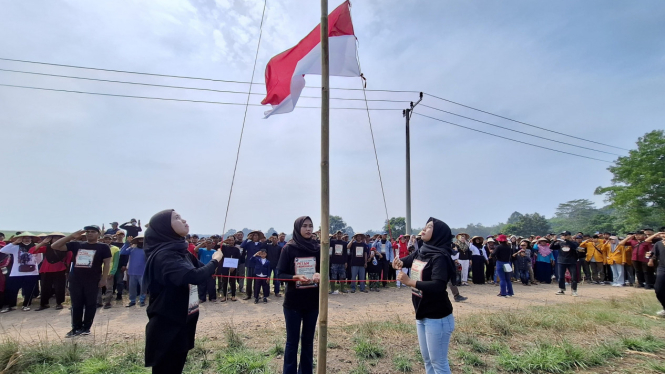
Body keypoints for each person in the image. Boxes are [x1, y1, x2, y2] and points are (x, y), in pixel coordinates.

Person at [143, 209, 223, 374]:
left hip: (181, 320)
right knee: (167, 367)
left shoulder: (180, 250)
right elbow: (193, 276)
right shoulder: (165, 254)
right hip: (167, 324)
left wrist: (211, 267)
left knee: (176, 365)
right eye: (177, 218)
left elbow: (201, 269)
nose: (184, 220)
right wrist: (214, 261)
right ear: (164, 227)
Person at [393, 217, 456, 374]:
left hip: (437, 317)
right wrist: (399, 262)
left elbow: (438, 285)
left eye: (429, 227)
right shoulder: (423, 250)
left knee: (439, 363)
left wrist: (410, 282)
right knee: (428, 361)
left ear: (438, 234)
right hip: (422, 313)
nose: (424, 229)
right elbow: (408, 260)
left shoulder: (439, 256)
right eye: (425, 226)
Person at [276, 216, 321, 374]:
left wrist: (319, 274)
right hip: (293, 303)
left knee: (308, 342)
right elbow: (280, 274)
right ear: (297, 228)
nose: (308, 229)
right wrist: (295, 277)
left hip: (313, 302)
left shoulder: (318, 247)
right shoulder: (289, 248)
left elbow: (326, 271)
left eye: (311, 226)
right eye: (305, 226)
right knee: (292, 342)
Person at [52, 226, 112, 336]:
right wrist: (71, 236)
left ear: (98, 234)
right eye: (88, 232)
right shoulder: (77, 244)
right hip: (76, 279)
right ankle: (75, 328)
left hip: (93, 279)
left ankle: (86, 328)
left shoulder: (103, 247)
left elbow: (107, 263)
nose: (90, 233)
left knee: (90, 304)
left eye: (93, 232)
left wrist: (104, 279)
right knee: (76, 304)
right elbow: (54, 246)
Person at [0, 232, 42, 313]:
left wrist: (32, 263)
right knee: (12, 290)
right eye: (24, 238)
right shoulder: (16, 247)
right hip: (16, 272)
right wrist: (15, 242)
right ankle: (11, 305)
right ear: (21, 239)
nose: (27, 240)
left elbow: (39, 259)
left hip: (31, 273)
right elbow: (2, 250)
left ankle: (26, 305)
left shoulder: (36, 247)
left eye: (28, 238)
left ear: (31, 239)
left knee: (29, 290)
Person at [122, 235, 147, 307]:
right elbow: (122, 252)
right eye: (139, 240)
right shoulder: (132, 249)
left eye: (142, 240)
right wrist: (127, 243)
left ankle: (142, 301)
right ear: (136, 241)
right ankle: (132, 301)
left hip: (143, 272)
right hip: (132, 272)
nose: (141, 241)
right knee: (132, 288)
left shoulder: (147, 249)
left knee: (143, 288)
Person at [554, 231, 581, 297]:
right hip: (561, 261)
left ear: (569, 235)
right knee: (561, 277)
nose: (564, 236)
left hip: (571, 262)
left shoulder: (574, 242)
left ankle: (574, 290)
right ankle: (561, 289)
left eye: (566, 235)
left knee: (573, 277)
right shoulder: (560, 243)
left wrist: (567, 241)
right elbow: (552, 247)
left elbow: (575, 247)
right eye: (563, 235)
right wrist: (554, 241)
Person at [242, 231, 264, 300]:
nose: (255, 237)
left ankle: (256, 294)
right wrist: (247, 239)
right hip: (249, 264)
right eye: (254, 236)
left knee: (257, 280)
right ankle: (248, 294)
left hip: (258, 264)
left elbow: (264, 251)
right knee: (249, 280)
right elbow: (242, 246)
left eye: (256, 236)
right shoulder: (248, 243)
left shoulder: (261, 244)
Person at [648, 231, 665, 317]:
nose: (663, 235)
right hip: (662, 268)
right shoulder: (658, 244)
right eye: (662, 234)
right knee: (658, 289)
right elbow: (653, 254)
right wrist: (650, 260)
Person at [195, 238, 217, 303]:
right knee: (202, 285)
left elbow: (216, 261)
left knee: (211, 285)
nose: (208, 244)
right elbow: (195, 249)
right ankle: (202, 298)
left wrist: (215, 270)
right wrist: (202, 243)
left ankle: (212, 297)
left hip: (211, 269)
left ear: (212, 244)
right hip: (202, 269)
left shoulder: (214, 251)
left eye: (209, 243)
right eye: (207, 243)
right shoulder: (202, 250)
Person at [219, 237, 240, 302]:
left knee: (233, 282)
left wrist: (234, 267)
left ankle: (233, 296)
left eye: (232, 240)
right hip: (225, 267)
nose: (231, 242)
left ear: (234, 241)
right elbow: (218, 245)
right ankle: (225, 296)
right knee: (224, 282)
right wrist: (225, 241)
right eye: (229, 240)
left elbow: (239, 259)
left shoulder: (236, 249)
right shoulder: (224, 247)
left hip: (233, 268)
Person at [265, 233, 282, 297]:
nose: (274, 240)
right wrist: (267, 240)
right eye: (273, 238)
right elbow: (262, 246)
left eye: (275, 238)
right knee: (267, 279)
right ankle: (267, 292)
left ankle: (276, 292)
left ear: (277, 239)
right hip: (268, 265)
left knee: (277, 280)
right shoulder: (268, 246)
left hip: (276, 265)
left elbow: (281, 257)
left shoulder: (279, 247)